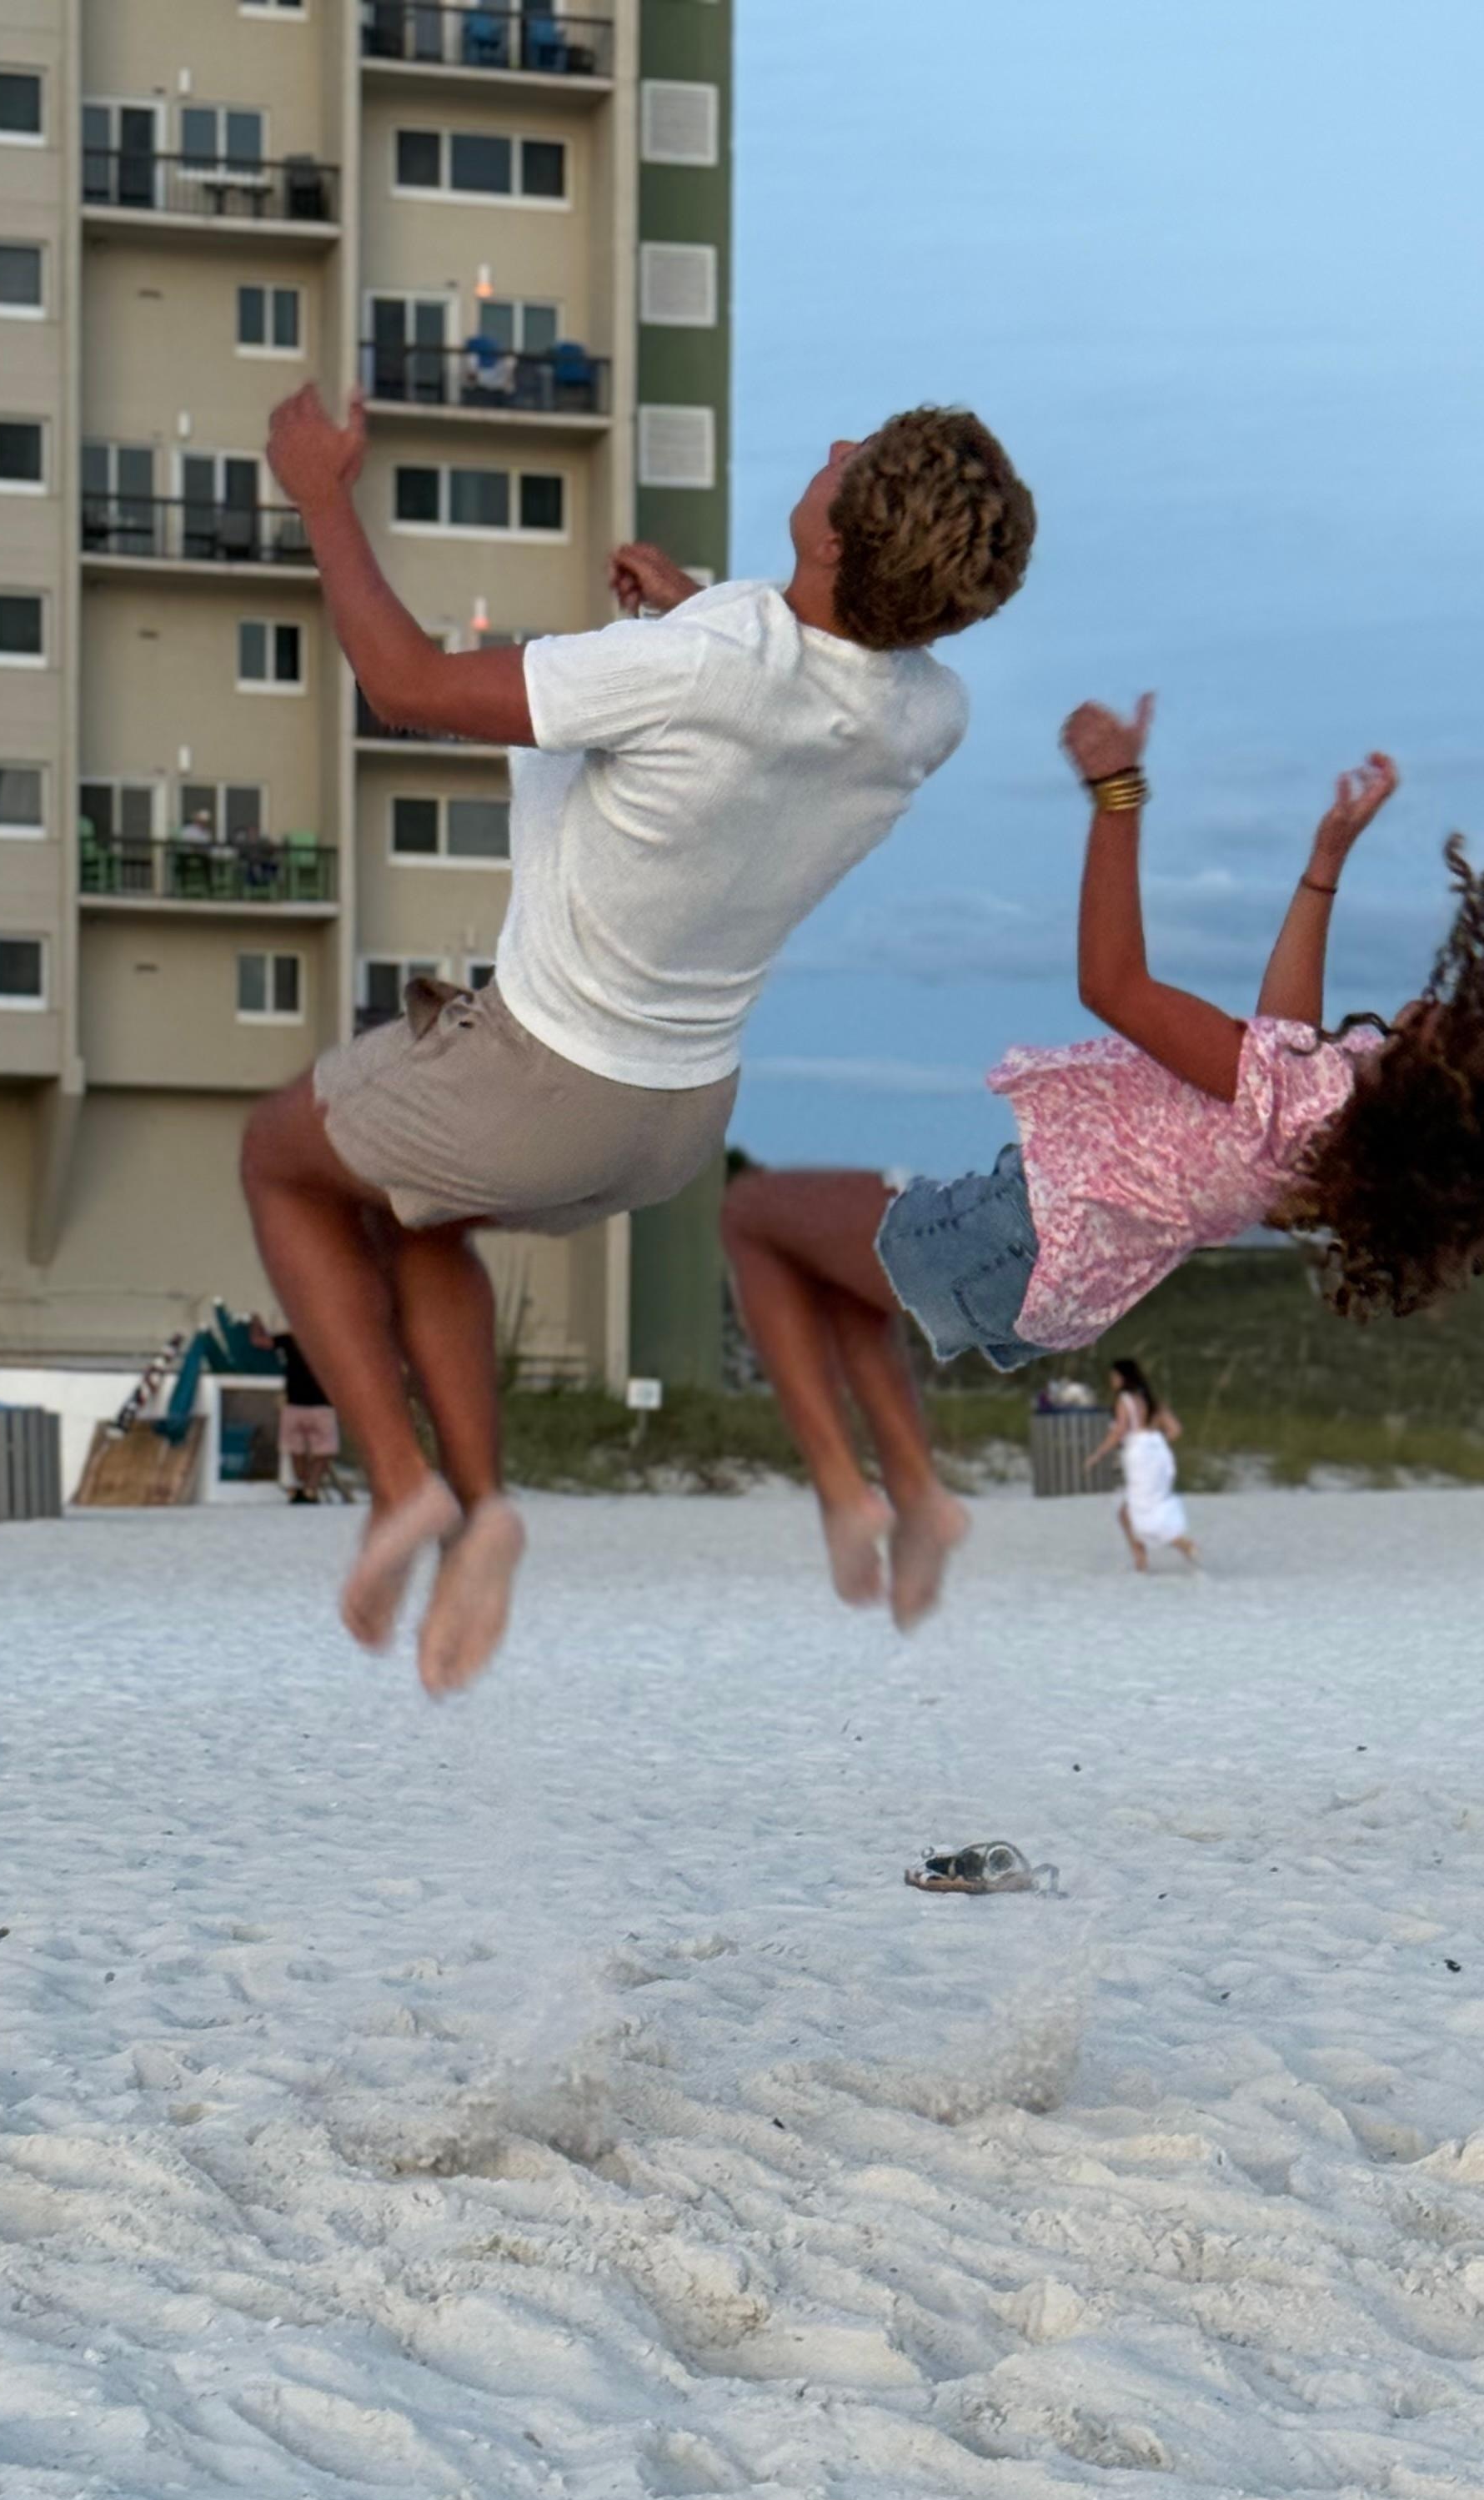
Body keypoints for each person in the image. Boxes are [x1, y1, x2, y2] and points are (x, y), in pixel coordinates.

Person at [243, 384, 1036, 1694]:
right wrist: (687, 609)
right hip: (678, 1119)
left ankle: (399, 1490)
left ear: (838, 536)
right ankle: (480, 1514)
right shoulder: (927, 715)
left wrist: (321, 493)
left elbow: (407, 685)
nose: (834, 445)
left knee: (281, 1162)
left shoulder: (700, 667)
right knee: (418, 1218)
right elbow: (803, 688)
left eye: (854, 462)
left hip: (543, 1075)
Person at [720, 695, 1484, 1621]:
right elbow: (1283, 1039)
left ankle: (852, 1495)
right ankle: (913, 1501)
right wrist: (1323, 867)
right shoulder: (1335, 1122)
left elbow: (1112, 986)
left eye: (1456, 1027)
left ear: (1438, 1087)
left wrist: (1118, 793)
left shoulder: (1311, 1104)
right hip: (1047, 1266)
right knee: (838, 1289)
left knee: (749, 1218)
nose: (1439, 1003)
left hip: (1016, 1234)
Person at [1085, 1353, 1198, 1569]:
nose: (1112, 1381)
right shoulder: (1152, 1401)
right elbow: (1175, 1430)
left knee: (1139, 1510)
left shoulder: (1125, 1399)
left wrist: (1097, 1455)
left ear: (1123, 1377)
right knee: (1137, 1508)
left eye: (1114, 1376)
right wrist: (1154, 1441)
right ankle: (1143, 1557)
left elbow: (1119, 1431)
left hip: (1139, 1456)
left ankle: (1176, 1546)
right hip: (1158, 1456)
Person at [273, 1326, 343, 1504]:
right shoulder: (331, 1341)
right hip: (322, 1406)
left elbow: (260, 1341)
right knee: (324, 1451)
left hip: (294, 1404)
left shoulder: (290, 1338)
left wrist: (256, 1319)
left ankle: (301, 1484)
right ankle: (310, 1488)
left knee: (295, 1450)